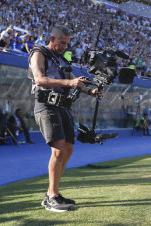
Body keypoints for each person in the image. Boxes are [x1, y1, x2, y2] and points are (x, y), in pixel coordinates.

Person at [29, 26, 102, 212]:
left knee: (68, 149)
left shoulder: (62, 59)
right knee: (59, 151)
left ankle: (52, 193)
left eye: (67, 44)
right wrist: (70, 82)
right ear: (52, 38)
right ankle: (53, 196)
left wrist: (92, 91)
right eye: (62, 43)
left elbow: (73, 80)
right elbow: (39, 80)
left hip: (64, 107)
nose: (65, 47)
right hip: (46, 105)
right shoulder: (39, 53)